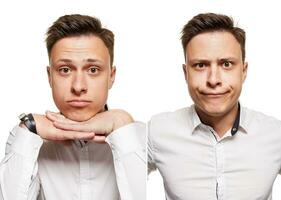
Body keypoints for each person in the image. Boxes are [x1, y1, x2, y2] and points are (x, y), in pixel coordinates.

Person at [0, 14, 145, 200]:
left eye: (93, 70)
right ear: (49, 76)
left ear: (111, 76)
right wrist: (29, 126)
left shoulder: (138, 137)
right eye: (65, 70)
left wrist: (122, 123)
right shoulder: (28, 140)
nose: (78, 86)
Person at [148, 13, 281, 200]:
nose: (213, 80)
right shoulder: (158, 131)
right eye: (201, 65)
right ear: (186, 73)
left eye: (226, 64)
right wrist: (116, 119)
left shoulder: (275, 134)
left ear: (243, 71)